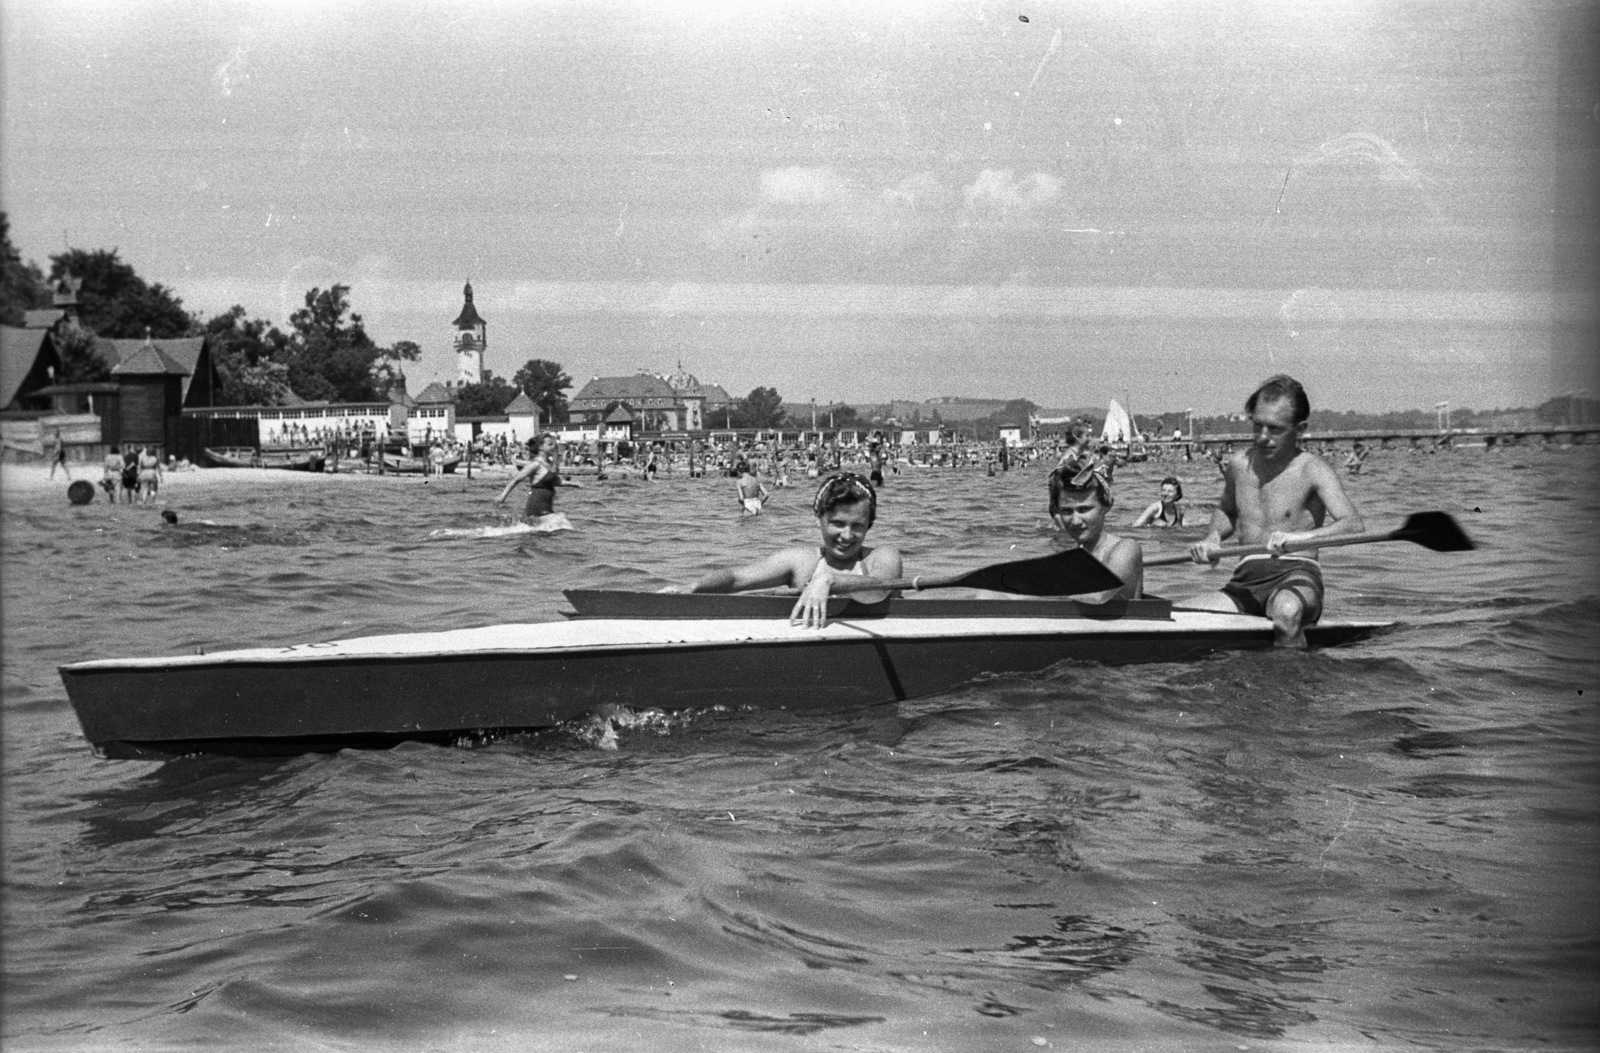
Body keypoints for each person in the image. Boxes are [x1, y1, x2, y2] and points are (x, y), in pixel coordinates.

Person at [1183, 374, 1364, 648]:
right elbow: (1227, 511)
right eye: (1257, 426)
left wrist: (1302, 539)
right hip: (1245, 581)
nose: (1263, 437)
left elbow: (1352, 525)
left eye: (1275, 429)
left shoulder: (1313, 469)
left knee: (1286, 613)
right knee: (1183, 616)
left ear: (1300, 429)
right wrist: (1212, 538)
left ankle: (1294, 685)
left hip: (1297, 576)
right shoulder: (1238, 465)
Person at [687, 472, 903, 628]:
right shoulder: (801, 561)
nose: (847, 535)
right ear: (819, 519)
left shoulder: (883, 556)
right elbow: (736, 578)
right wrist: (691, 587)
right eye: (838, 523)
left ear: (869, 525)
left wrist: (827, 580)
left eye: (857, 526)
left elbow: (879, 590)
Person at [1047, 455, 1142, 603]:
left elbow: (1099, 597)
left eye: (1084, 509)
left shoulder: (1127, 549)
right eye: (1066, 511)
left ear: (1106, 506)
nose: (1075, 521)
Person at [496, 432, 581, 521]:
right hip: (536, 507)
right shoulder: (535, 464)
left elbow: (557, 482)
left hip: (547, 508)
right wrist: (503, 496)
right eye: (550, 444)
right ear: (541, 447)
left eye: (555, 445)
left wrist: (574, 484)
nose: (554, 447)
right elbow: (516, 480)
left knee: (551, 530)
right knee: (561, 522)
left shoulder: (550, 464)